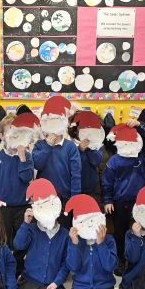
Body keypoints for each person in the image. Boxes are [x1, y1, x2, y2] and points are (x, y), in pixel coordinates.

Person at [13, 179, 69, 289]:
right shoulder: (32, 229)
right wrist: (26, 223)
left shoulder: (64, 234)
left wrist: (57, 282)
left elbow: (66, 263)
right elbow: (18, 245)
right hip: (30, 282)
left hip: (51, 285)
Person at [103, 122, 145, 274]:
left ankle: (137, 261)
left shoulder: (142, 157)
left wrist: (140, 125)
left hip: (140, 204)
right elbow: (107, 182)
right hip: (119, 203)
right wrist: (108, 200)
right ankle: (120, 260)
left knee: (139, 232)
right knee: (120, 233)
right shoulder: (114, 161)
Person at [0, 113, 36, 274]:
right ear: (2, 136)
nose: (15, 138)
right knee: (4, 239)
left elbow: (27, 177)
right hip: (3, 208)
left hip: (22, 206)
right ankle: (5, 268)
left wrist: (22, 158)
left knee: (21, 240)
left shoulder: (27, 156)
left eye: (18, 134)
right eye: (11, 134)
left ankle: (19, 269)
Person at [61, 195, 118, 289]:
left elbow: (110, 266)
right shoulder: (76, 241)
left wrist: (101, 243)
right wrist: (75, 244)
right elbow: (73, 267)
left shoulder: (109, 240)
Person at [32, 96, 81, 228]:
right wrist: (47, 147)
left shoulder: (70, 147)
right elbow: (37, 164)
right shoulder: (40, 145)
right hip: (43, 199)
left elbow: (76, 174)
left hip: (64, 198)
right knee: (43, 230)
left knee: (63, 230)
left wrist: (74, 198)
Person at [70, 111, 105, 198]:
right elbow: (70, 164)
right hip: (72, 188)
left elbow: (96, 161)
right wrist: (79, 150)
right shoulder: (70, 144)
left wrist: (90, 148)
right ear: (76, 129)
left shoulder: (96, 144)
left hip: (90, 189)